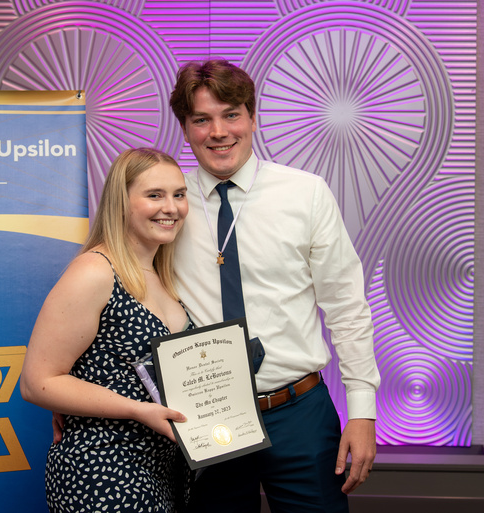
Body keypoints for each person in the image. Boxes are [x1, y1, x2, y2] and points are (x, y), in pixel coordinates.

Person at [169, 59, 380, 512]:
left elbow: (346, 306)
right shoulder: (168, 204)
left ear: (252, 118)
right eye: (201, 120)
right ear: (185, 129)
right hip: (208, 415)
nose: (218, 132)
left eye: (231, 115)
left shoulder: (305, 194)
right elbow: (120, 293)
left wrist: (363, 411)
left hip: (299, 411)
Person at [20, 147, 193, 512]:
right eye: (155, 195)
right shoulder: (95, 271)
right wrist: (137, 410)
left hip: (165, 469)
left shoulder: (164, 274)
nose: (171, 207)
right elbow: (36, 383)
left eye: (179, 194)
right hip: (103, 469)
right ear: (120, 203)